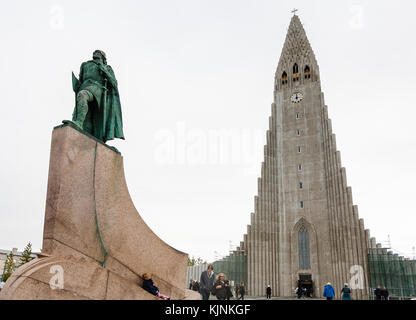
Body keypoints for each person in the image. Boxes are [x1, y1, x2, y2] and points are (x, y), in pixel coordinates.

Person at [70, 50, 124, 143]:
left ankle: (78, 123)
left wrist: (104, 70)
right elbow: (81, 79)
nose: (95, 53)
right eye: (95, 52)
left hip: (97, 88)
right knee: (88, 120)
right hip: (85, 86)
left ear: (103, 57)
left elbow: (114, 84)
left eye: (98, 53)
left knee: (82, 95)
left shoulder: (107, 67)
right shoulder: (85, 65)